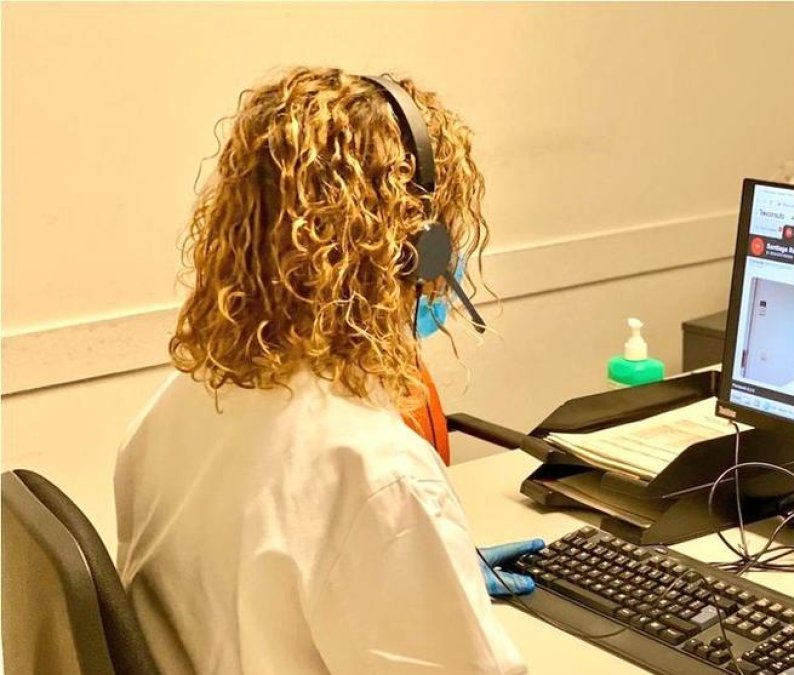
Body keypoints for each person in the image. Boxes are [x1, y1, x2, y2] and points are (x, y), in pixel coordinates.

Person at [114, 67, 538, 675]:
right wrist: (413, 556)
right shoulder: (373, 469)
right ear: (411, 249)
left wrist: (426, 574)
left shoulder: (182, 399)